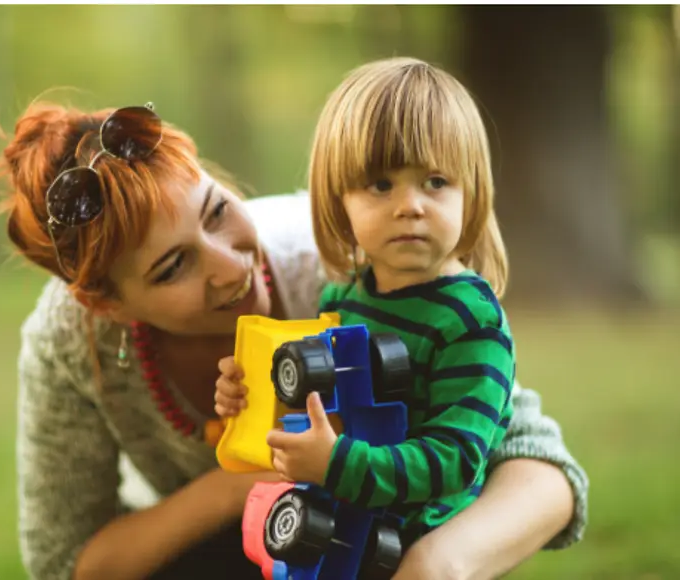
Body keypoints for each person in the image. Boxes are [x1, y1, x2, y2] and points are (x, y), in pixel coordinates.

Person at [0, 94, 588, 580]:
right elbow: (66, 564)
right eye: (172, 267)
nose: (232, 265)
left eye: (216, 212)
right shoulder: (69, 344)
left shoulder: (348, 255)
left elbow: (539, 463)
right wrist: (243, 474)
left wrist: (440, 564)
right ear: (108, 306)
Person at [216, 57, 519, 554]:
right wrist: (250, 398)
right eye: (381, 185)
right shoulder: (343, 296)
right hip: (341, 523)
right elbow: (316, 406)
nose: (411, 205)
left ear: (472, 192)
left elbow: (456, 458)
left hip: (419, 542)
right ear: (340, 203)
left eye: (436, 182)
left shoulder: (470, 320)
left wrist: (337, 465)